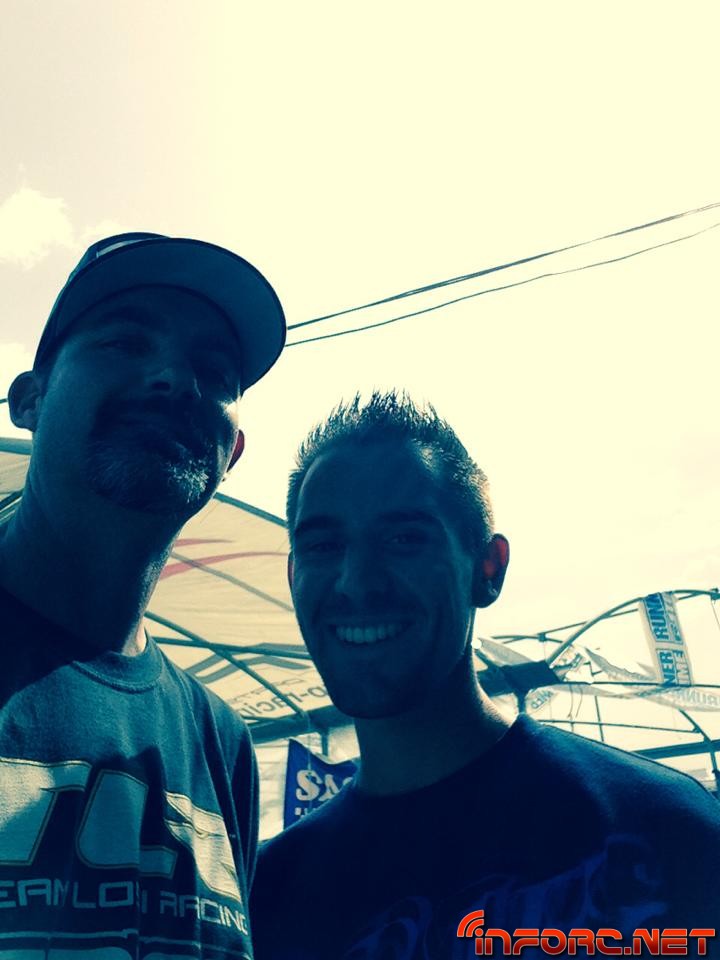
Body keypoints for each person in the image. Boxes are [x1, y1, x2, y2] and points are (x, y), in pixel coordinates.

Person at [250, 392, 720, 960]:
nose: (356, 582)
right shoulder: (270, 895)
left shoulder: (658, 829)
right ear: (293, 575)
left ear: (489, 568)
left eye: (404, 539)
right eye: (323, 545)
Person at [0, 232, 285, 959]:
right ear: (29, 400)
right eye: (126, 342)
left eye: (213, 370)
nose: (174, 378)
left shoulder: (222, 742)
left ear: (232, 453)